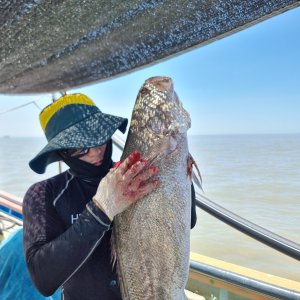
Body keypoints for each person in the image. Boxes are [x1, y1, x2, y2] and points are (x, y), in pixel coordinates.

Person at [22, 93, 197, 300]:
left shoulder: (135, 174)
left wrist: (176, 173)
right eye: (81, 148)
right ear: (62, 153)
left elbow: (188, 222)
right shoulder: (45, 193)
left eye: (100, 136)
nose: (96, 151)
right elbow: (43, 279)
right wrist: (102, 210)